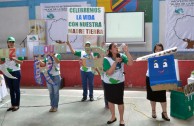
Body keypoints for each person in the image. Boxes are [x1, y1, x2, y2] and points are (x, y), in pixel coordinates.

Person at [103, 43, 133, 126]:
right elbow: (109, 73)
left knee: (120, 101)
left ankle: (121, 119)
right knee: (110, 100)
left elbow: (131, 63)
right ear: (110, 50)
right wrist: (115, 62)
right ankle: (113, 117)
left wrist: (127, 52)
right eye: (114, 47)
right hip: (108, 83)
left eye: (117, 46)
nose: (117, 48)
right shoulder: (106, 59)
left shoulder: (122, 56)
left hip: (119, 83)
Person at [146, 43, 170, 121]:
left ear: (162, 50)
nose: (158, 51)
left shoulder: (165, 57)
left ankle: (164, 113)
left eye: (160, 49)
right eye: (157, 49)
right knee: (152, 96)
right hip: (151, 78)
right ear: (154, 50)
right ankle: (153, 111)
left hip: (161, 79)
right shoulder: (151, 57)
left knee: (162, 96)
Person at [1, 36, 23, 111]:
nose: (11, 43)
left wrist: (14, 59)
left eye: (12, 42)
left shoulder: (19, 51)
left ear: (14, 43)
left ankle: (17, 105)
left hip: (16, 71)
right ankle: (13, 104)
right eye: (9, 42)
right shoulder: (4, 51)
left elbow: (21, 62)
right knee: (11, 89)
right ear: (7, 43)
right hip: (7, 72)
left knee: (16, 89)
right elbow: (2, 62)